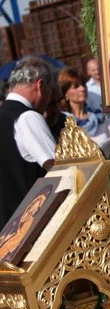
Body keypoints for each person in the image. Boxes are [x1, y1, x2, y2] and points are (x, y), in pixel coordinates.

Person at [0, 56, 56, 230]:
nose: (48, 102)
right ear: (40, 86)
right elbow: (57, 166)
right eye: (50, 93)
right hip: (28, 228)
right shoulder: (27, 117)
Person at [59, 68, 110, 157]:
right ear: (65, 93)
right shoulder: (63, 123)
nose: (82, 88)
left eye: (83, 84)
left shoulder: (101, 118)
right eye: (76, 86)